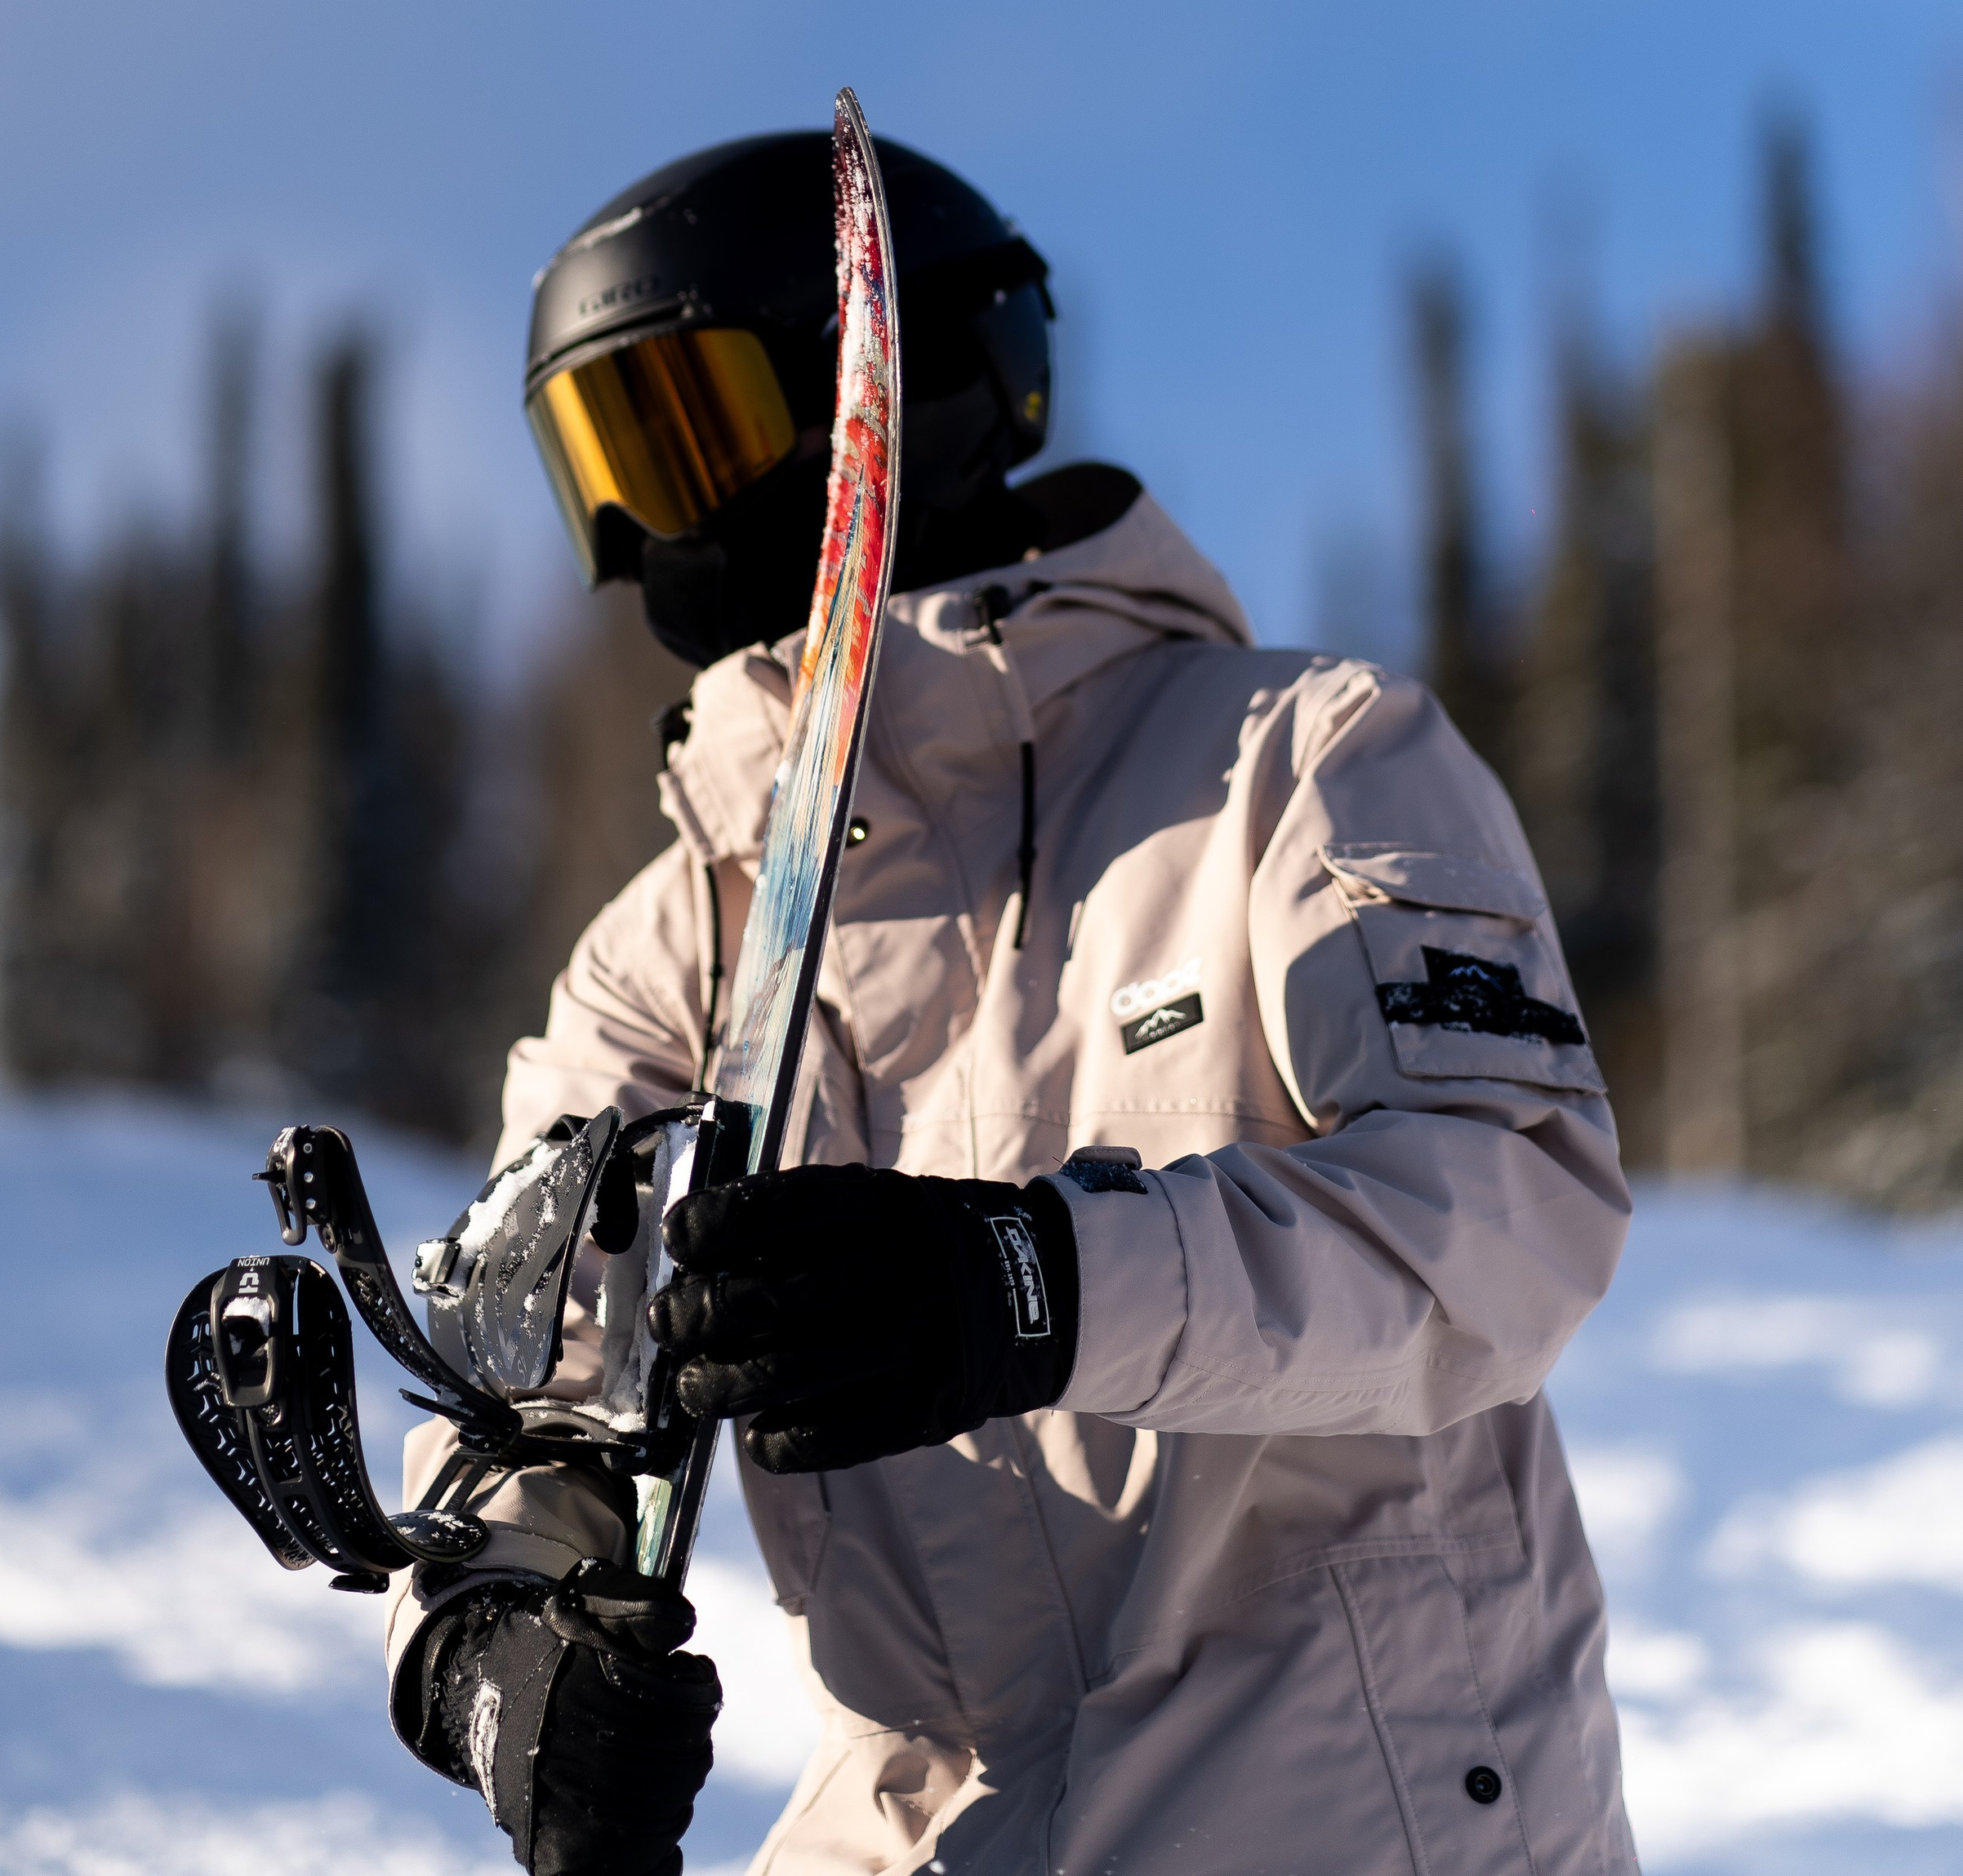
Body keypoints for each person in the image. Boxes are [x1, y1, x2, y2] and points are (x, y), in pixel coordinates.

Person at [387, 129, 1637, 1876]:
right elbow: (531, 1374)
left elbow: (1506, 1223)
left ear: (904, 392)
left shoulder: (1298, 767)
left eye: (688, 432)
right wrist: (488, 1641)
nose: (636, 525)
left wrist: (1035, 1286)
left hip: (1345, 1827)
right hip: (915, 1838)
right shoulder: (679, 945)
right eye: (599, 459)